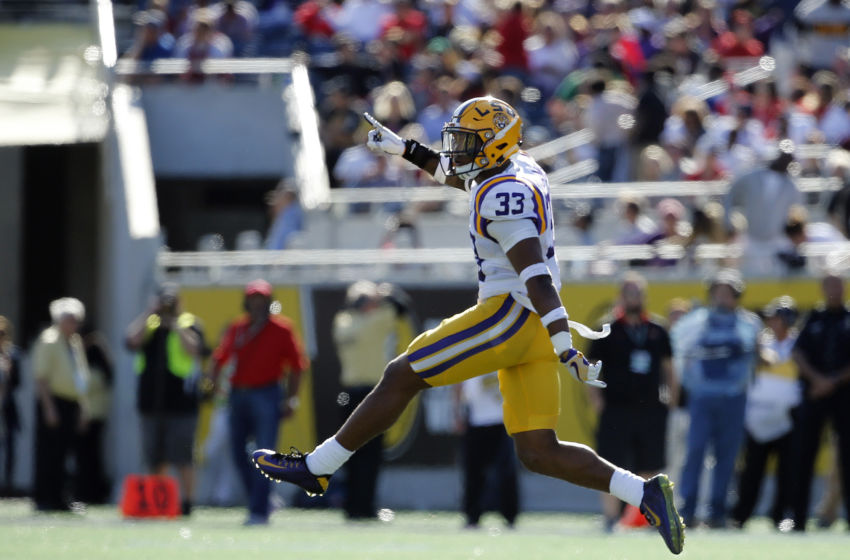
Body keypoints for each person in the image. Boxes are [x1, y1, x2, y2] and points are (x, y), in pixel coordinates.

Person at [254, 96, 685, 555]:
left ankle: (318, 467)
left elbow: (536, 275)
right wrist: (405, 149)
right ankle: (644, 493)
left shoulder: (504, 192)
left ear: (495, 145)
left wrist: (565, 345)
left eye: (467, 142)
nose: (458, 151)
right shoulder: (517, 169)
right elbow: (464, 177)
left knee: (403, 373)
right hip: (531, 325)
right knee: (538, 450)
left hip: (511, 316)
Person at [209, 279, 309, 525]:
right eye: (253, 299)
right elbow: (220, 357)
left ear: (268, 301)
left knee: (264, 453)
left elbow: (298, 366)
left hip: (267, 393)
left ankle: (258, 511)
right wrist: (211, 383)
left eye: (261, 299)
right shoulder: (238, 328)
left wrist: (291, 398)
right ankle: (261, 498)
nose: (257, 304)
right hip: (238, 394)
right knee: (236, 451)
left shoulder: (282, 329)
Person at [586, 272, 677, 532]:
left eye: (638, 292)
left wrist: (671, 399)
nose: (633, 297)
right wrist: (597, 401)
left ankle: (647, 518)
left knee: (650, 464)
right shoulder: (607, 329)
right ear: (620, 296)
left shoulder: (657, 330)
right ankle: (610, 518)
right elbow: (592, 369)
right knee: (610, 463)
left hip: (650, 408)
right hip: (616, 408)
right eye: (629, 292)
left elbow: (669, 368)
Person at [671, 269, 762, 528]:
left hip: (734, 398)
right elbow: (680, 354)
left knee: (727, 455)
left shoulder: (750, 323)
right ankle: (687, 510)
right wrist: (692, 386)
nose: (722, 298)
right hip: (702, 398)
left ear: (737, 295)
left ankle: (717, 512)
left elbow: (755, 356)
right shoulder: (694, 322)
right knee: (695, 450)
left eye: (728, 292)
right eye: (718, 292)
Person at [332, 281, 415, 520]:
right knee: (365, 454)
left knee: (353, 451)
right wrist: (384, 293)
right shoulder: (377, 319)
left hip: (352, 393)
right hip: (369, 392)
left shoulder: (343, 321)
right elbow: (402, 305)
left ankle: (355, 506)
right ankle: (362, 507)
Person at [125, 283, 204, 516]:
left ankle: (187, 504)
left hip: (182, 404)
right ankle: (157, 503)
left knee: (183, 456)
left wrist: (175, 324)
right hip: (151, 403)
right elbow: (130, 341)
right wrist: (150, 313)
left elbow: (195, 349)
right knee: (155, 458)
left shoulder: (190, 324)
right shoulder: (149, 324)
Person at [730, 296, 800, 529]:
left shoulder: (798, 344)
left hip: (787, 418)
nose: (772, 321)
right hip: (758, 418)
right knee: (751, 471)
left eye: (777, 317)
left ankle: (780, 515)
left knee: (787, 471)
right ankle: (741, 515)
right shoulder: (760, 343)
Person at [789, 273, 850, 532]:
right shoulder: (813, 317)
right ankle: (798, 519)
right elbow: (798, 353)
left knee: (847, 459)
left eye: (839, 285)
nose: (834, 290)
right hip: (814, 395)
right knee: (803, 455)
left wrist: (832, 381)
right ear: (823, 288)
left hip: (845, 396)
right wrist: (817, 380)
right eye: (830, 285)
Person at [31, 298, 90, 511]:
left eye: (76, 320)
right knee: (49, 452)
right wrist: (49, 408)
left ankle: (60, 497)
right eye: (69, 319)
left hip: (71, 402)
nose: (74, 324)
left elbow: (79, 377)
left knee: (65, 452)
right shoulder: (48, 340)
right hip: (53, 401)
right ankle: (45, 498)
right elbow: (41, 378)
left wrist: (83, 406)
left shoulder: (74, 342)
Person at [455, 373, 519, 529]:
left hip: (502, 420)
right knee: (473, 471)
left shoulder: (504, 353)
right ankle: (472, 516)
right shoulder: (469, 354)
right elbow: (458, 383)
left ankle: (510, 515)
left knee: (505, 471)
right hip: (476, 419)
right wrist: (457, 412)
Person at [76, 325, 114, 505]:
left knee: (87, 457)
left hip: (89, 418)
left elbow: (81, 390)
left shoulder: (92, 374)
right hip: (97, 417)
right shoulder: (103, 372)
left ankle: (89, 492)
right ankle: (91, 491)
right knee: (92, 456)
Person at [0, 316, 21, 495]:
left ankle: (7, 486)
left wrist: (9, 369)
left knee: (9, 448)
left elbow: (17, 383)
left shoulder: (12, 354)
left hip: (6, 409)